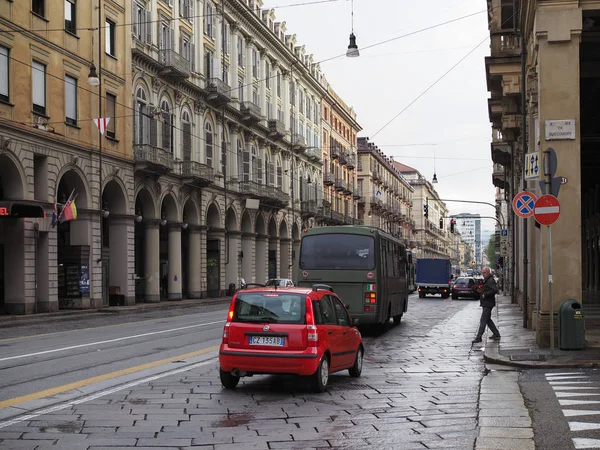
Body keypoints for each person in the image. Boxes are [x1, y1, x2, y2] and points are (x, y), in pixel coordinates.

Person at [472, 266, 501, 343]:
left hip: (488, 303)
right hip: (486, 303)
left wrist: (486, 294)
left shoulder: (490, 280)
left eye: (484, 273)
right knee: (488, 320)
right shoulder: (487, 280)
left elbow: (495, 290)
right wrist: (477, 290)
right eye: (482, 273)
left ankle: (479, 337)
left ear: (488, 272)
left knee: (483, 320)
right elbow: (484, 291)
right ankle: (496, 334)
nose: (483, 274)